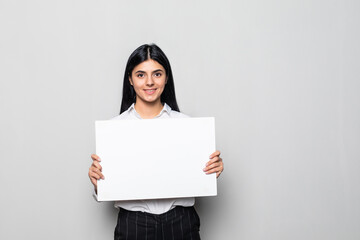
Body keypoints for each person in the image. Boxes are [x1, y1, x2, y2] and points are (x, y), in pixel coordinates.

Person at [88, 44, 224, 240]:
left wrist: (213, 168)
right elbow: (108, 186)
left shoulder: (187, 125)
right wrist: (97, 182)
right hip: (134, 224)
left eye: (157, 74)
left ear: (166, 78)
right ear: (130, 79)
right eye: (141, 75)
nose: (149, 82)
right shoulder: (114, 130)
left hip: (181, 222)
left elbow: (199, 175)